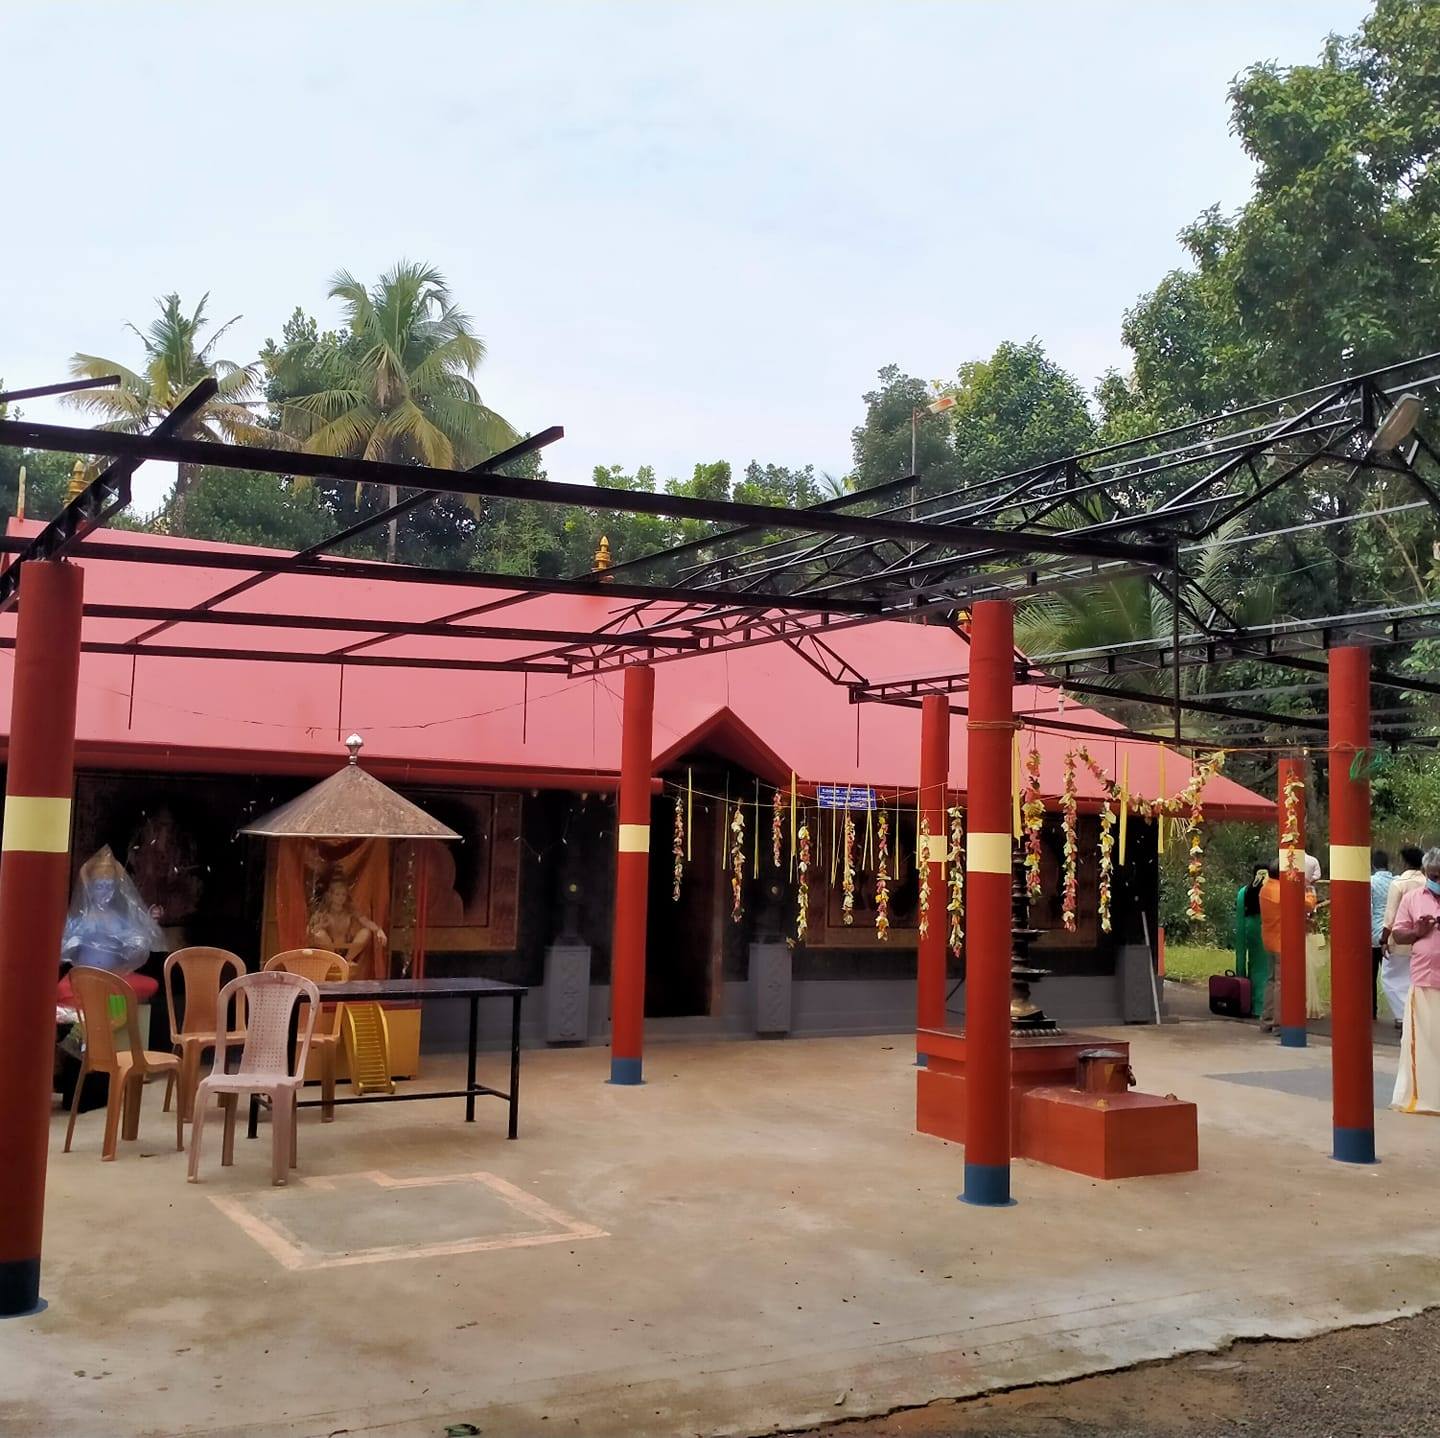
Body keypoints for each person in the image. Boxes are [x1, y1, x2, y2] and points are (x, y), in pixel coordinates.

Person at [1389, 847, 1440, 1115]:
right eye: (1434, 875)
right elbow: (1399, 935)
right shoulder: (1412, 898)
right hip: (1424, 977)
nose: (1438, 881)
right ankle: (1422, 1096)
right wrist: (1418, 932)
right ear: (1425, 873)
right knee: (1421, 1040)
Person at [1258, 861, 1318, 1034]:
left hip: (1269, 939)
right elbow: (1308, 905)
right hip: (1282, 942)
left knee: (1271, 981)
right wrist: (1308, 890)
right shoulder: (1283, 891)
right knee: (1281, 983)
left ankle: (1267, 1020)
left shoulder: (1266, 888)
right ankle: (1279, 1023)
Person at [308, 870, 387, 974]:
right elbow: (310, 932)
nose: (341, 898)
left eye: (343, 895)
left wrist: (378, 930)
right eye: (337, 894)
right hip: (330, 950)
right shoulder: (323, 912)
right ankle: (335, 959)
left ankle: (346, 960)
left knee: (366, 932)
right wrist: (320, 926)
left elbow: (366, 921)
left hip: (347, 950)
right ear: (330, 896)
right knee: (319, 934)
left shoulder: (350, 910)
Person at [1380, 846, 1425, 1031]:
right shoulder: (1427, 882)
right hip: (1422, 938)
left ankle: (1402, 1014)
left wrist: (1384, 940)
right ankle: (1415, 1014)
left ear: (1404, 862)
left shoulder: (1398, 884)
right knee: (1412, 978)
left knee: (1389, 977)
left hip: (1399, 939)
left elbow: (1390, 915)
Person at [1235, 865, 1268, 1020]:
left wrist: (1239, 975)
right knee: (1271, 971)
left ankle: (1255, 1005)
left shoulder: (1244, 892)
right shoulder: (1274, 891)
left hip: (1251, 930)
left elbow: (1240, 932)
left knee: (1255, 967)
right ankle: (1268, 1008)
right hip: (1271, 932)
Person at [1371, 850, 1394, 1020]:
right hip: (1393, 934)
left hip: (1373, 934)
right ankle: (1398, 1014)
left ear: (1373, 865)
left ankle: (1371, 1011)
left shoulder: (1371, 882)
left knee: (1370, 976)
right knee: (1395, 977)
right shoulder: (1396, 882)